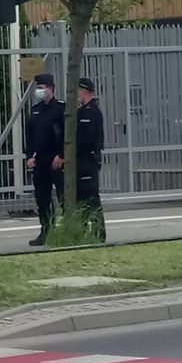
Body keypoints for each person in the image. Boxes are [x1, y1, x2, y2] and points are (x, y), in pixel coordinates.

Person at [25, 74, 65, 246]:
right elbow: (30, 136)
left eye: (42, 87)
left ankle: (69, 229)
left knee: (64, 197)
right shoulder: (35, 110)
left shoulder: (61, 109)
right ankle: (46, 231)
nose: (39, 90)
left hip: (56, 160)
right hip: (40, 161)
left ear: (51, 88)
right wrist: (29, 156)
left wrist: (62, 155)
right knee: (42, 199)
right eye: (38, 87)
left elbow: (67, 135)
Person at [76, 78, 107, 242]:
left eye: (79, 90)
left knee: (91, 198)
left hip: (88, 161)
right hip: (83, 162)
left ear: (85, 91)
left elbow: (85, 139)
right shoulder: (84, 110)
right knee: (83, 199)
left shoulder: (91, 112)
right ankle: (86, 232)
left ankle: (98, 233)